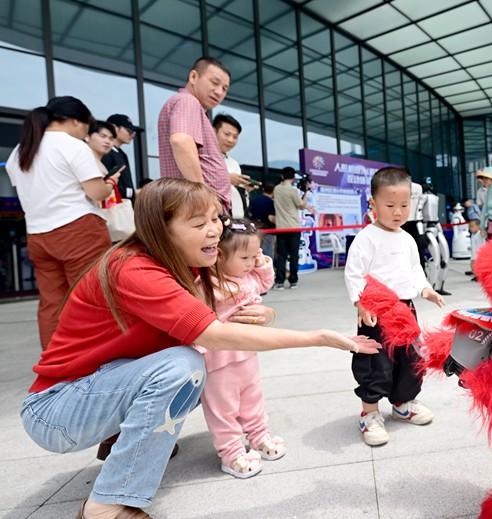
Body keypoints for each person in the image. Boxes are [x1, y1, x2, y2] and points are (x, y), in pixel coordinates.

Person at [19, 178, 379, 519]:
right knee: (183, 366)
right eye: (197, 223)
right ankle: (105, 505)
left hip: (99, 390)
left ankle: (119, 443)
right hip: (56, 410)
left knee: (189, 374)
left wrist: (265, 312)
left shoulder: (186, 265)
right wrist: (317, 337)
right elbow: (213, 334)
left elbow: (229, 308)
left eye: (215, 218)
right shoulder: (134, 269)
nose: (214, 230)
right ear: (160, 230)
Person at [5, 96, 119, 349]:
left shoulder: (20, 150)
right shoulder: (73, 146)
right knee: (91, 299)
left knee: (51, 303)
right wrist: (109, 184)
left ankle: (56, 363)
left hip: (38, 235)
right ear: (76, 121)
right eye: (86, 127)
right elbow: (95, 193)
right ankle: (94, 360)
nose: (85, 133)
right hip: (79, 230)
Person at [344, 167, 446, 446]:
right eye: (390, 205)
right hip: (375, 311)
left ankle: (403, 403)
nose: (398, 212)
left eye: (404, 205)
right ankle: (370, 413)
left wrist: (426, 290)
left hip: (405, 310)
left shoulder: (407, 238)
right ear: (373, 203)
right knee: (376, 362)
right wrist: (360, 302)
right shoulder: (366, 238)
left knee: (410, 359)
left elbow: (414, 271)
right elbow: (354, 273)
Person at [196, 217, 285, 479]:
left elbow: (265, 282)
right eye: (245, 257)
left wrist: (261, 263)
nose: (250, 263)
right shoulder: (209, 283)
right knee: (223, 408)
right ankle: (231, 452)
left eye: (253, 256)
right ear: (219, 255)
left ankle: (259, 436)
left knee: (252, 397)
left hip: (246, 352)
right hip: (217, 358)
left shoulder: (248, 277)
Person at [158, 56, 232, 212]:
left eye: (225, 88)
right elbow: (180, 141)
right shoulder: (188, 101)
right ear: (193, 77)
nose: (219, 92)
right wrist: (203, 195)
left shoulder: (189, 105)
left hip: (195, 207)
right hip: (197, 207)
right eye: (214, 82)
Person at [212, 113, 253, 218]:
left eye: (235, 137)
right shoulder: (204, 158)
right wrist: (226, 179)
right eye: (227, 134)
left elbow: (240, 200)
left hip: (237, 219)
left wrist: (245, 190)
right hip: (216, 218)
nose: (231, 140)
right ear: (213, 131)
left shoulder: (234, 163)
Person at [273, 167, 308, 289]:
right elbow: (301, 206)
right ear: (293, 177)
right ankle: (293, 280)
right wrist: (306, 193)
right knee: (294, 255)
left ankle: (280, 281)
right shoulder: (292, 191)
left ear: (282, 176)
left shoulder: (276, 189)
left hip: (281, 227)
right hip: (293, 227)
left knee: (281, 255)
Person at [104, 113, 142, 205]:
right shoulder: (106, 153)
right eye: (129, 131)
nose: (132, 135)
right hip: (113, 205)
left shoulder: (122, 154)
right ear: (114, 128)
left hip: (126, 204)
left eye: (134, 132)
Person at [248, 183, 276, 260]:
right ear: (273, 192)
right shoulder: (271, 202)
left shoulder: (255, 200)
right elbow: (271, 218)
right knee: (268, 252)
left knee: (256, 251)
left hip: (255, 229)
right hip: (269, 230)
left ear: (263, 189)